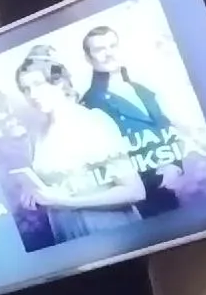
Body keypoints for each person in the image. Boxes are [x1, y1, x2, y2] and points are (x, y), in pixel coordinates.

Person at [13, 46, 145, 244]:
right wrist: (35, 193)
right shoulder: (36, 134)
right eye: (25, 89)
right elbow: (55, 187)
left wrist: (67, 202)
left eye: (38, 84)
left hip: (110, 233)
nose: (32, 94)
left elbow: (134, 191)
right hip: (67, 234)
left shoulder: (93, 122)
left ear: (59, 82)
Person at [79, 25, 183, 218]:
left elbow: (166, 129)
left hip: (167, 192)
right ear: (88, 58)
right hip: (135, 205)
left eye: (113, 46)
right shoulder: (90, 103)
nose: (109, 53)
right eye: (100, 49)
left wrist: (174, 166)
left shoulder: (142, 90)